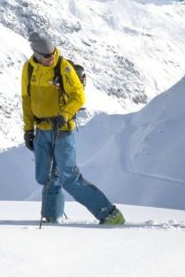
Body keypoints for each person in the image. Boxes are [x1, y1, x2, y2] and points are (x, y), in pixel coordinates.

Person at [21, 31, 125, 225]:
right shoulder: (28, 70)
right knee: (45, 176)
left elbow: (79, 96)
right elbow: (27, 101)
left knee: (68, 177)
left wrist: (65, 114)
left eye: (53, 53)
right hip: (41, 130)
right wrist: (28, 130)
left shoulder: (64, 67)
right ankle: (52, 216)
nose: (51, 57)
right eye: (47, 56)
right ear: (36, 54)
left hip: (62, 130)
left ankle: (109, 213)